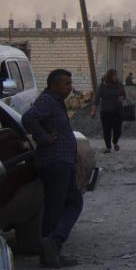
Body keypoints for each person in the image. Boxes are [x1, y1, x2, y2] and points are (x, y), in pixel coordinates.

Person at [21, 69, 83, 268]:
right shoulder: (48, 100)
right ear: (53, 85)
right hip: (55, 161)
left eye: (70, 83)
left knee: (57, 207)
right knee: (70, 204)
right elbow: (28, 118)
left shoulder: (54, 102)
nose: (69, 87)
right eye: (66, 84)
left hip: (61, 160)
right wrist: (44, 138)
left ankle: (49, 254)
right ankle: (54, 241)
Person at [91, 68, 127, 153]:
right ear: (109, 76)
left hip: (117, 111)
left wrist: (122, 97)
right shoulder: (103, 85)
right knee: (107, 130)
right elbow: (96, 99)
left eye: (116, 75)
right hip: (105, 112)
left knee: (117, 129)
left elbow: (124, 95)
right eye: (114, 75)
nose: (115, 77)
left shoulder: (119, 84)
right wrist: (93, 110)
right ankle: (108, 147)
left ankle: (115, 142)